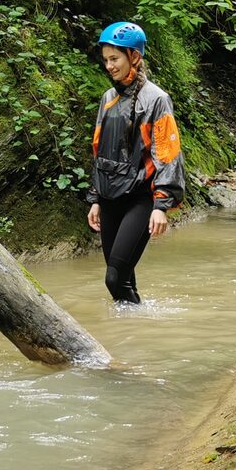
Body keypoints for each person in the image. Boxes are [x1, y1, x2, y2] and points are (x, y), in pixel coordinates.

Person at [86, 21, 184, 303]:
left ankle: (136, 321)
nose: (109, 66)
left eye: (114, 59)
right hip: (109, 198)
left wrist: (162, 205)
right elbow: (98, 150)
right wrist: (95, 198)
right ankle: (132, 332)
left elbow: (167, 153)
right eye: (105, 60)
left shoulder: (156, 99)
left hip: (140, 199)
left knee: (114, 278)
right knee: (122, 281)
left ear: (135, 57)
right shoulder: (108, 98)